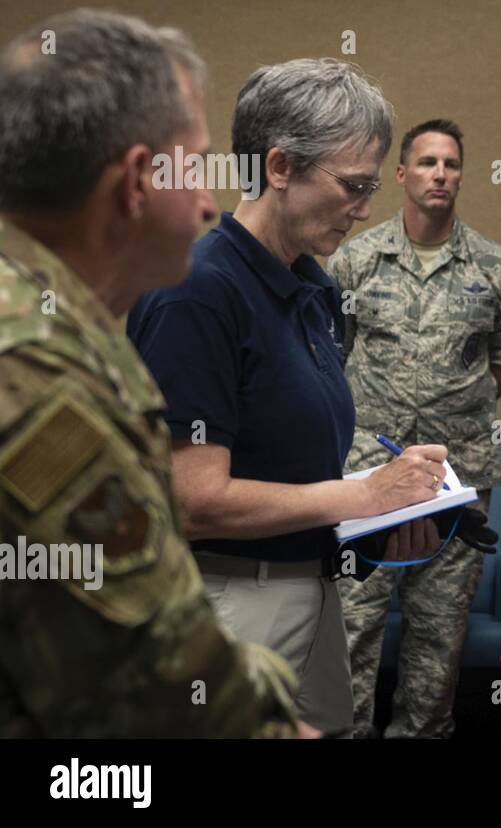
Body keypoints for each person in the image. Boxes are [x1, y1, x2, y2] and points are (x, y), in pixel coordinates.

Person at [0, 9, 302, 736]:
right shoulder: (38, 373)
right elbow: (163, 681)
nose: (206, 203)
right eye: (193, 165)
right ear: (137, 181)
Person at [127, 59, 448, 734]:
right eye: (354, 186)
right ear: (278, 167)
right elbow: (190, 501)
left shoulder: (315, 289)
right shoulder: (197, 292)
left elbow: (289, 475)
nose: (365, 211)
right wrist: (365, 496)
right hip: (225, 606)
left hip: (311, 591)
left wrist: (369, 534)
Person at [329, 118, 501, 738]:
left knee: (438, 631)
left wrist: (452, 409)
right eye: (426, 162)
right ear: (401, 174)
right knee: (353, 623)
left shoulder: (493, 266)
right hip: (368, 470)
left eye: (450, 164)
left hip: (458, 473)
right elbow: (331, 357)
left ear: (461, 175)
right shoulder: (355, 260)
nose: (440, 173)